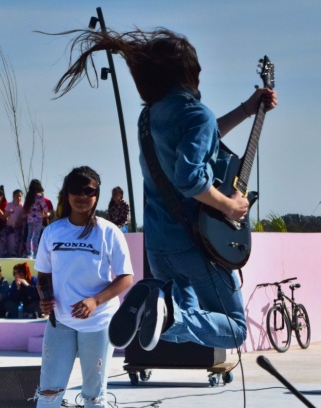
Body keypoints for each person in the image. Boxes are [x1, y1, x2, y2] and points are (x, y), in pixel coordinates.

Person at [49, 29, 277, 355]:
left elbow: (200, 136)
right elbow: (189, 177)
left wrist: (246, 109)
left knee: (165, 326)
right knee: (235, 329)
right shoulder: (197, 115)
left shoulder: (149, 116)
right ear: (186, 72)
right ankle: (166, 314)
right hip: (197, 243)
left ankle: (157, 310)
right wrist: (229, 206)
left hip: (158, 247)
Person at [34, 166, 134, 408]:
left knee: (93, 394)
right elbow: (43, 274)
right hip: (60, 323)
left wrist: (95, 300)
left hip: (99, 324)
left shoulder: (109, 232)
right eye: (76, 190)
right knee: (49, 391)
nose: (82, 196)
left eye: (89, 191)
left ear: (97, 195)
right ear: (67, 194)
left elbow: (126, 277)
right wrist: (44, 299)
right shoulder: (53, 232)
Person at [23, 179, 50, 259]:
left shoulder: (29, 196)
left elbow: (26, 208)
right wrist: (47, 213)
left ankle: (29, 253)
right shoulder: (39, 196)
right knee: (36, 236)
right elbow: (44, 206)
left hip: (30, 218)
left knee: (29, 236)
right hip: (38, 218)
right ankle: (35, 253)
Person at [3, 189, 25, 257]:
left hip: (18, 226)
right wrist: (8, 212)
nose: (18, 198)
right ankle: (5, 251)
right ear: (13, 196)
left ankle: (15, 252)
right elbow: (4, 216)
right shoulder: (9, 205)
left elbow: (23, 218)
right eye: (17, 196)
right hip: (9, 225)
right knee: (3, 234)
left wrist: (18, 224)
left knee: (18, 236)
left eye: (20, 196)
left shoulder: (22, 206)